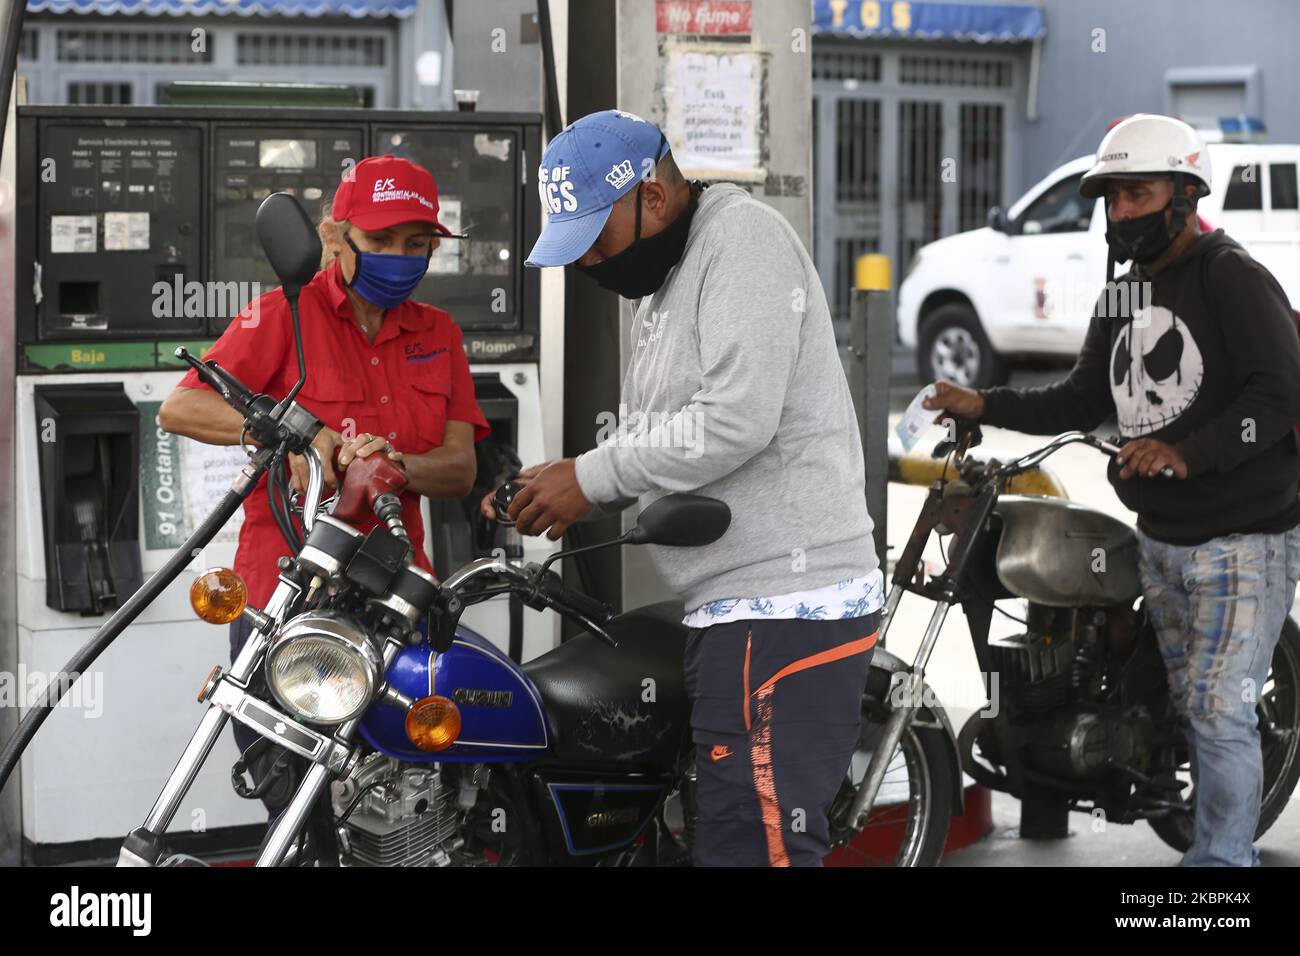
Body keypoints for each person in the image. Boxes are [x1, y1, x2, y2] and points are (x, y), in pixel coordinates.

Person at [485, 109, 884, 866]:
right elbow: (662, 433)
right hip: (734, 609)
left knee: (755, 847)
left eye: (595, 241)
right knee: (725, 838)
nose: (589, 264)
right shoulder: (666, 282)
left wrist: (592, 477)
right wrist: (559, 482)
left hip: (785, 605)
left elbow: (736, 419)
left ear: (654, 199)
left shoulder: (743, 242)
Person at [924, 114, 1300, 866]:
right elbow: (1078, 399)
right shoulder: (1125, 296)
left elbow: (1277, 394)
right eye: (1112, 197)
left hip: (1242, 538)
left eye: (1137, 193)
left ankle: (1223, 873)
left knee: (1220, 709)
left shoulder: (1229, 275)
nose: (1121, 210)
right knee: (1179, 701)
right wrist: (984, 404)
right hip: (1161, 537)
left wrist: (1187, 454)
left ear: (1184, 196)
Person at [160, 154, 489, 814]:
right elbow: (182, 408)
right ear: (334, 237)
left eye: (417, 245)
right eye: (383, 241)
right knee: (300, 808)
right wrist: (297, 434)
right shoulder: (282, 314)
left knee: (408, 797)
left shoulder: (440, 334)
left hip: (398, 599)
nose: (402, 257)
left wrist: (394, 464)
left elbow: (459, 467)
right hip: (286, 596)